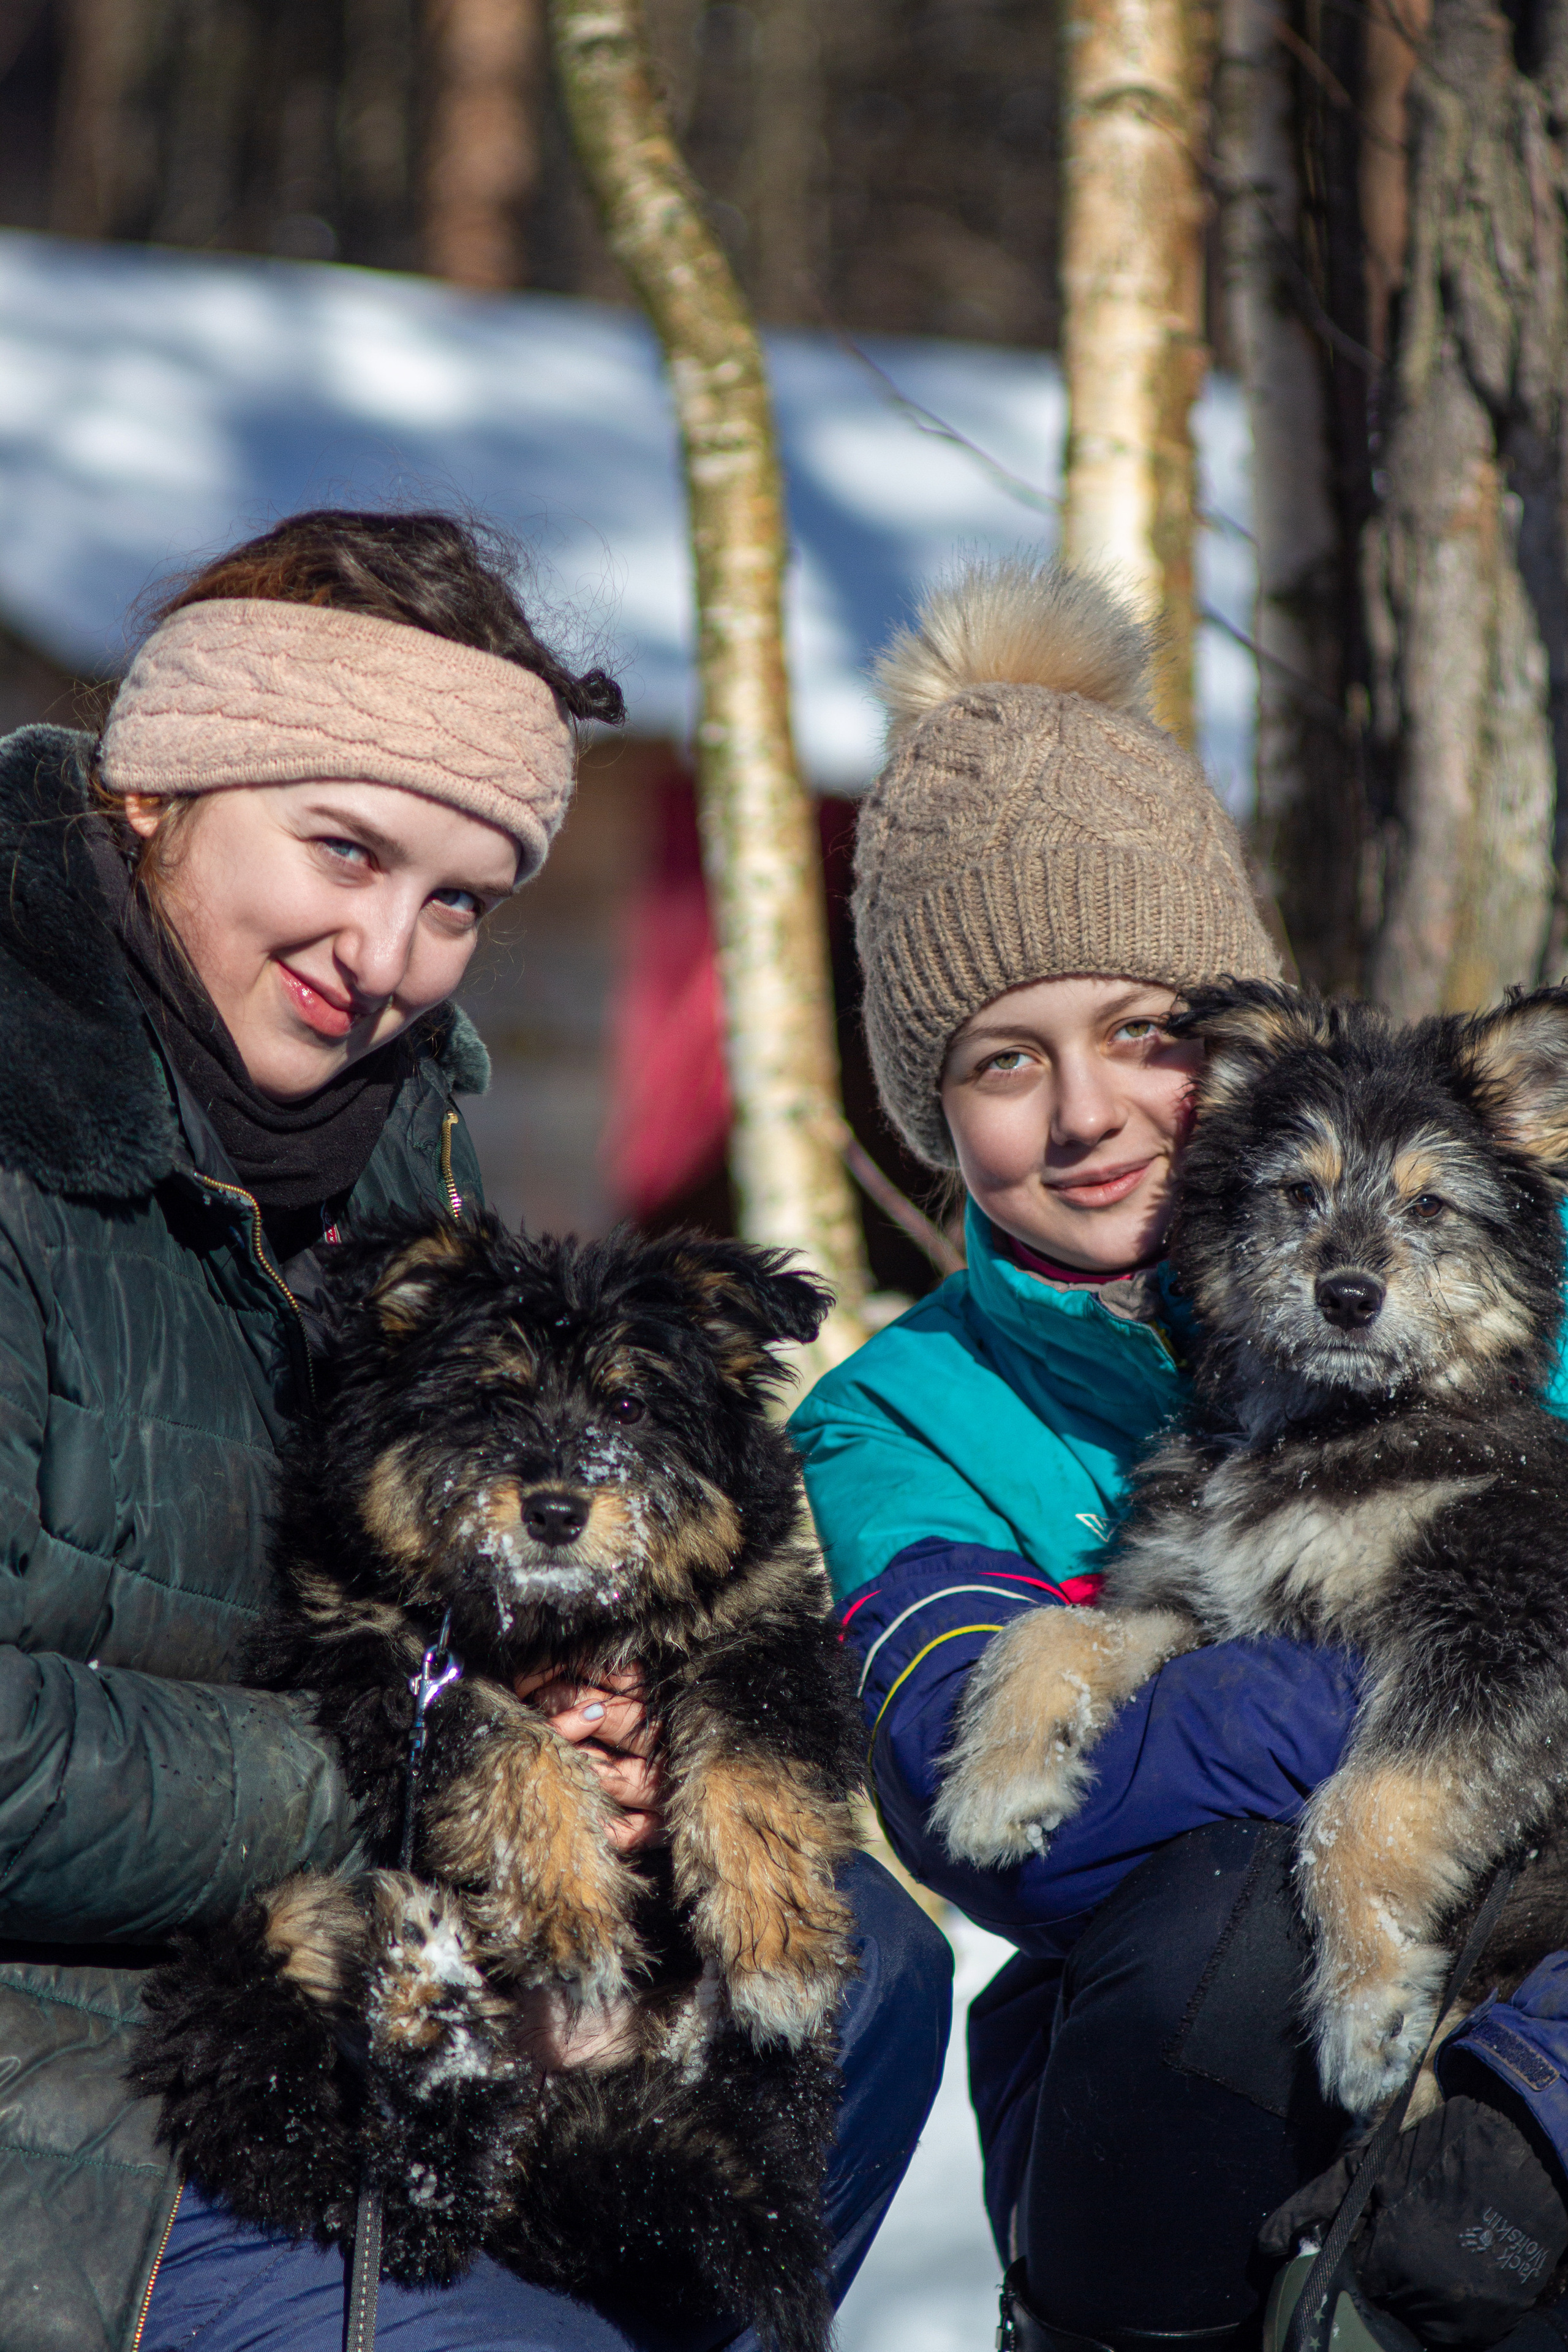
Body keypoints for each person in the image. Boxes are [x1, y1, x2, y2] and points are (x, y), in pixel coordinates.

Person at [0, 507, 952, 2352]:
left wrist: (603, 1719)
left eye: (458, 902)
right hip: (74, 2088)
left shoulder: (385, 1161)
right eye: (345, 849)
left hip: (360, 1963)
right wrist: (408, 1769)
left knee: (860, 1969)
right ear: (158, 789)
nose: (387, 954)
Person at [790, 557, 1568, 2352]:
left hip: (1526, 2060)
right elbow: (1017, 1841)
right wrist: (1363, 1695)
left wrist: (1534, 2099)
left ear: (1229, 1052)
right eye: (1002, 1062)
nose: (1088, 1115)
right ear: (931, 1112)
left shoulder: (1516, 1292)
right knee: (1220, 1897)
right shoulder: (901, 1414)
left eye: (1144, 1037)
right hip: (1162, 2132)